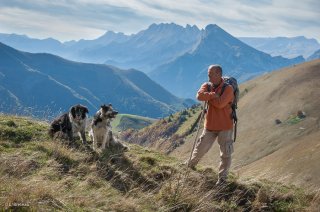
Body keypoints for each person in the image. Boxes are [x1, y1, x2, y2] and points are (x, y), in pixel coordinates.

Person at [187, 64, 234, 185]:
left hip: (225, 126)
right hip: (210, 126)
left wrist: (207, 97)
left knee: (225, 154)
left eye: (211, 74)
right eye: (208, 74)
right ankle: (190, 166)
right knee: (200, 148)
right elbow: (199, 96)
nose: (208, 77)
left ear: (219, 74)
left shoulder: (228, 89)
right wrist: (213, 95)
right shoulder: (207, 86)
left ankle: (222, 178)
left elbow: (220, 104)